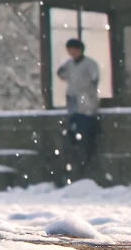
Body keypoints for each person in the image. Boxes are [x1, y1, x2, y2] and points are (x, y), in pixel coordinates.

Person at [56, 38, 101, 180]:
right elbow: (61, 73)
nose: (72, 53)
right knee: (72, 132)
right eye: (70, 50)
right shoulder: (69, 65)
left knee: (85, 133)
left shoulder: (89, 64)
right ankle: (76, 164)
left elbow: (94, 78)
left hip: (86, 100)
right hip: (73, 99)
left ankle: (85, 165)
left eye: (74, 50)